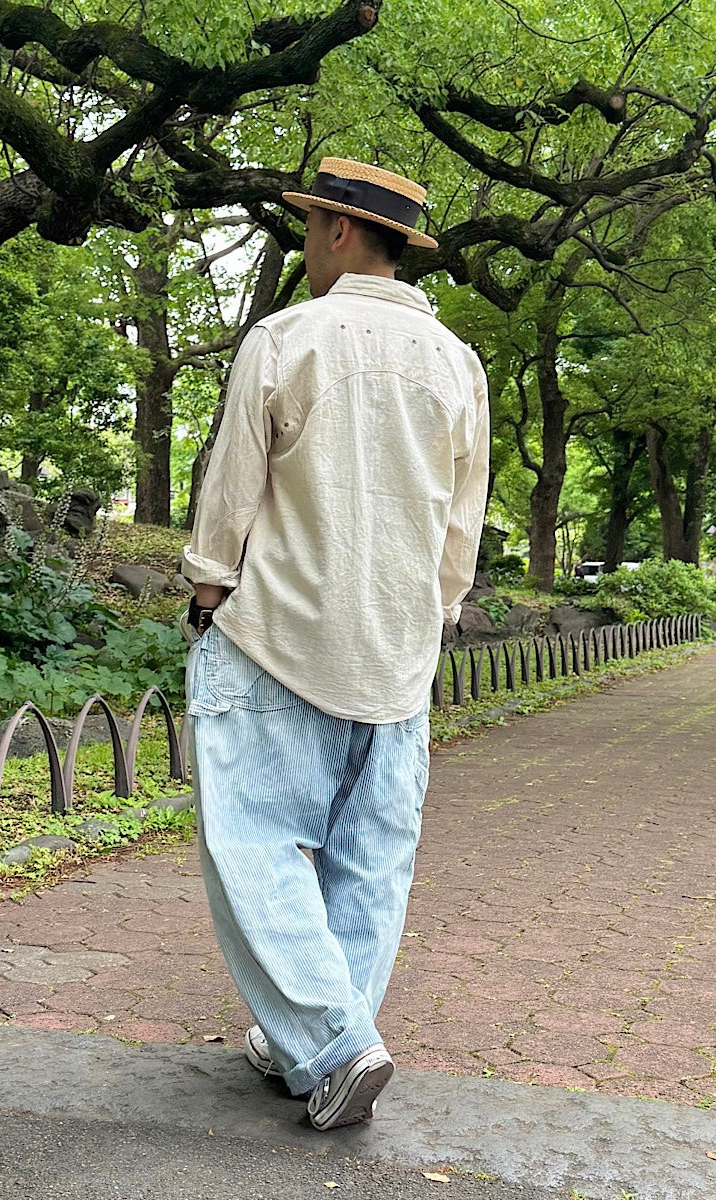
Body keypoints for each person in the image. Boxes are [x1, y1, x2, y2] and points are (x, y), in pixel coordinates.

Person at [183, 157, 489, 1130]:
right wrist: (436, 613)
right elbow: (459, 526)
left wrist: (204, 585)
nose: (305, 241)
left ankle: (333, 1041)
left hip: (277, 634)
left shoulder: (286, 337)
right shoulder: (457, 365)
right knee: (368, 856)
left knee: (254, 838)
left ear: (341, 233)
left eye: (310, 225)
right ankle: (309, 1046)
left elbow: (232, 486)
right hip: (398, 650)